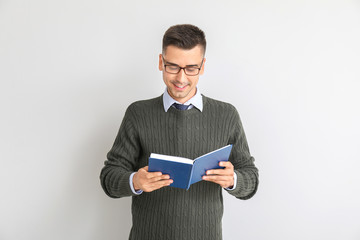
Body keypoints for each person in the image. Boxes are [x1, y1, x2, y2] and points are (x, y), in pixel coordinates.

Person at [100, 24, 259, 240]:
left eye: (191, 68)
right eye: (173, 67)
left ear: (202, 66)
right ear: (160, 62)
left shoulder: (226, 115)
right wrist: (135, 181)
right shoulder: (138, 113)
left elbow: (251, 179)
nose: (181, 78)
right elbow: (109, 178)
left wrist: (233, 179)